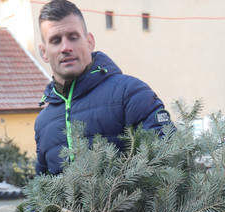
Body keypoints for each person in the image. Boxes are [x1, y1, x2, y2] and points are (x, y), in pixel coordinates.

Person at [34, 0, 172, 176]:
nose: (65, 48)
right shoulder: (43, 122)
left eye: (73, 37)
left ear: (89, 42)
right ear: (44, 52)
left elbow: (168, 165)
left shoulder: (130, 94)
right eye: (55, 40)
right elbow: (42, 191)